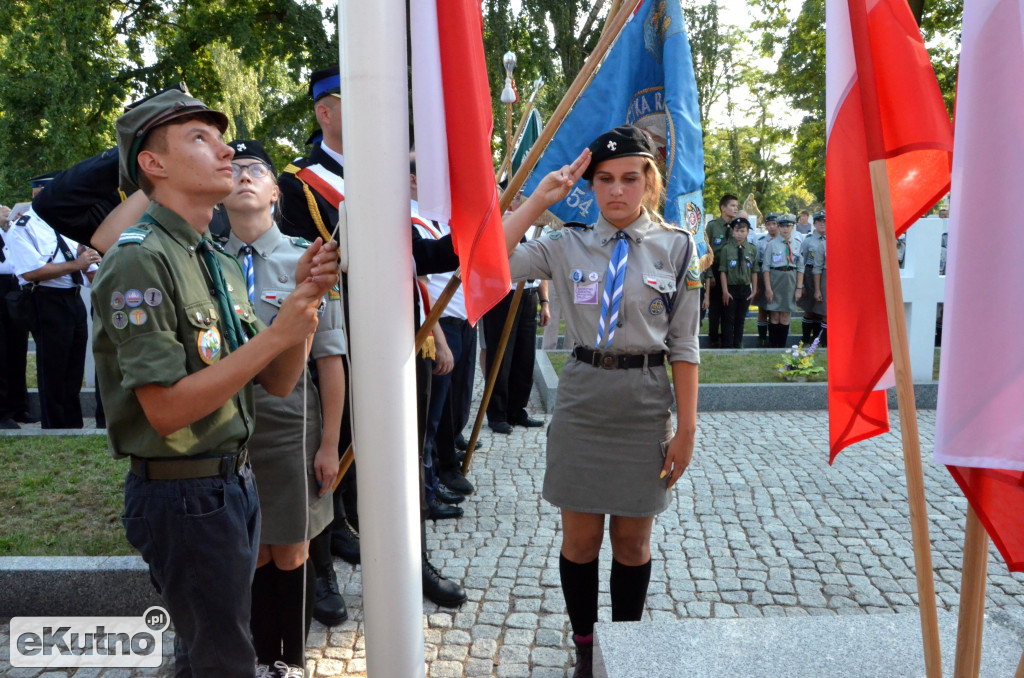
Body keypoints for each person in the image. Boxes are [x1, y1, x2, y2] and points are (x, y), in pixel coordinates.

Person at [92, 87, 339, 677]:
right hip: (184, 493)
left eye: (220, 137)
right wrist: (278, 334)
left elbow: (278, 382)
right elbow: (167, 411)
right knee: (220, 656)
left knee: (220, 649)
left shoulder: (217, 260)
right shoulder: (139, 260)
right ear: (153, 165)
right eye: (200, 139)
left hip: (232, 480)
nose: (226, 151)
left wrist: (302, 304)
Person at [502, 125, 700, 678]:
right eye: (605, 179)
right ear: (590, 186)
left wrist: (685, 430)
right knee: (582, 539)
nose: (617, 190)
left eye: (630, 179)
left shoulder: (679, 247)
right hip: (584, 397)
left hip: (644, 402)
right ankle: (586, 646)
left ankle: (628, 649)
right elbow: (489, 260)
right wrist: (541, 200)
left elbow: (684, 346)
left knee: (634, 541)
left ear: (649, 183)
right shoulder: (565, 245)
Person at [278, 65, 467, 609]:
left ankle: (413, 562)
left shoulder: (387, 172)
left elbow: (424, 254)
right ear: (326, 112)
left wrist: (483, 225)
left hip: (403, 332)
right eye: (354, 101)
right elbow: (305, 265)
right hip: (338, 336)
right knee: (328, 450)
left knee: (404, 450)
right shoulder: (299, 183)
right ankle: (322, 567)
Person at [220, 139, 345, 674]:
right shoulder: (204, 262)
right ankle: (253, 656)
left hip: (290, 423)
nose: (244, 176)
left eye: (257, 170)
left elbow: (330, 360)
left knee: (290, 549)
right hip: (223, 425)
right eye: (234, 168)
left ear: (276, 191)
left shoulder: (308, 259)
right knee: (247, 552)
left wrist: (329, 443)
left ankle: (289, 661)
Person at [4, 174, 99, 429]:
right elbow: (31, 271)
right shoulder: (23, 227)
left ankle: (73, 423)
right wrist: (76, 263)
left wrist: (85, 262)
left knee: (73, 367)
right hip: (46, 300)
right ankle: (55, 425)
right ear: (39, 194)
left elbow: (78, 259)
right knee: (53, 368)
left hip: (72, 297)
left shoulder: (64, 222)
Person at [1, 204, 34, 429]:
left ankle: (19, 406)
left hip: (14, 287)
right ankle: (3, 412)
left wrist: (9, 225)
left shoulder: (9, 228)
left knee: (17, 348)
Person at [761, 213, 804, 348]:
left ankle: (781, 345)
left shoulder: (797, 244)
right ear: (778, 227)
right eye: (782, 226)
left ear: (793, 227)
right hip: (775, 279)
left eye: (788, 226)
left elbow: (801, 268)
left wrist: (798, 288)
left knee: (785, 314)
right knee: (774, 314)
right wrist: (768, 288)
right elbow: (766, 267)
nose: (785, 229)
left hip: (790, 280)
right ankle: (773, 345)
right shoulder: (772, 244)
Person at [703, 193, 738, 348]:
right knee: (715, 308)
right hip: (715, 270)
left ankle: (727, 340)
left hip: (731, 272)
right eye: (732, 206)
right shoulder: (712, 226)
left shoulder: (737, 227)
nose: (735, 209)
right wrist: (709, 275)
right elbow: (706, 251)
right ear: (723, 208)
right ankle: (713, 340)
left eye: (737, 206)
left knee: (729, 308)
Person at [718, 217, 759, 348]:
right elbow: (723, 271)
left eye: (742, 231)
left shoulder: (752, 249)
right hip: (730, 288)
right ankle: (727, 345)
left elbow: (754, 270)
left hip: (745, 288)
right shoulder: (726, 249)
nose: (739, 234)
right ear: (732, 231)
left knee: (740, 319)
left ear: (747, 232)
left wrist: (754, 290)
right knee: (728, 318)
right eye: (736, 231)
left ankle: (738, 344)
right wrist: (725, 291)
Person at [798, 210, 826, 345]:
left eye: (825, 221)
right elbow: (801, 264)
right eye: (819, 222)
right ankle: (805, 338)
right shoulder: (808, 240)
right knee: (810, 309)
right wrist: (802, 285)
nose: (822, 224)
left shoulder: (831, 239)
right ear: (814, 224)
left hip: (824, 276)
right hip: (809, 274)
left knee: (821, 309)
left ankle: (818, 338)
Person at [751, 212, 778, 347]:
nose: (772, 227)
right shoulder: (760, 241)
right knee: (762, 308)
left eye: (774, 224)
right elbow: (755, 262)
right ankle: (762, 338)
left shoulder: (785, 240)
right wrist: (757, 285)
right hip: (762, 275)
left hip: (778, 275)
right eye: (769, 224)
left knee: (775, 308)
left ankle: (774, 338)